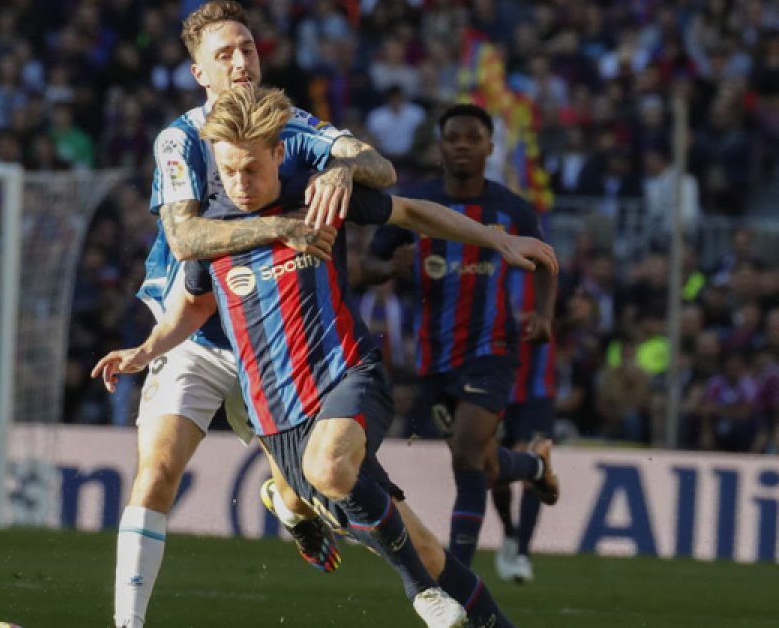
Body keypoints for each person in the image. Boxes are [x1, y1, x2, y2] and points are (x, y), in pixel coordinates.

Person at [97, 86, 558, 628]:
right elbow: (193, 307)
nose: (239, 184)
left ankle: (420, 597)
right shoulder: (211, 231)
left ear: (277, 152)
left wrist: (494, 239)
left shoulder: (316, 194)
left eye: (251, 168)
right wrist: (145, 350)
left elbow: (408, 211)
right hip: (277, 418)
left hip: (346, 375)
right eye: (226, 171)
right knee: (429, 551)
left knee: (330, 468)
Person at [114, 0, 400, 628]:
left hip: (269, 335)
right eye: (224, 54)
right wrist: (283, 229)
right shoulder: (179, 138)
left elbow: (382, 166)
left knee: (304, 490)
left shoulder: (289, 122)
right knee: (157, 471)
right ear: (198, 73)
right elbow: (187, 239)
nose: (242, 61)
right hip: (191, 326)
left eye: (247, 48)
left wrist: (343, 173)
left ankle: (290, 506)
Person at [365, 104, 561, 568]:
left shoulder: (509, 209)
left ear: (490, 147)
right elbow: (367, 264)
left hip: (491, 348)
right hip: (434, 358)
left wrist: (544, 313)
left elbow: (547, 259)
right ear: (441, 147)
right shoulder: (415, 204)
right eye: (453, 138)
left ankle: (459, 581)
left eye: (473, 138)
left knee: (468, 456)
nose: (462, 146)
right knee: (483, 462)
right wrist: (387, 268)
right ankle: (533, 465)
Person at [490, 264, 557, 583]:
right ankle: (511, 533)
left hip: (536, 393)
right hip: (498, 385)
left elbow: (571, 317)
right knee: (496, 473)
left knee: (533, 465)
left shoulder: (553, 274)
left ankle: (522, 553)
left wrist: (575, 317)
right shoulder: (491, 267)